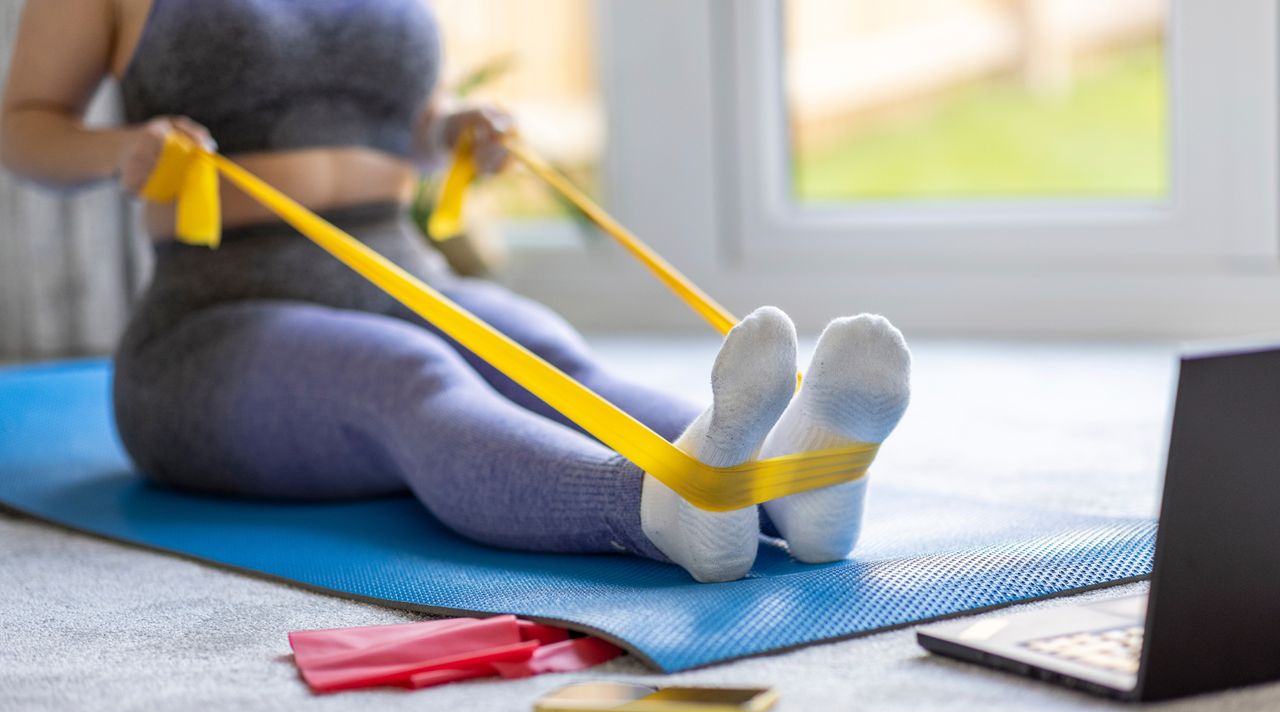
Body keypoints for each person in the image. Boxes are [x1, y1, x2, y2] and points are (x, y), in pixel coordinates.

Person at [0, 0, 911, 583]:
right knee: (406, 376)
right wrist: (119, 149)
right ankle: (662, 508)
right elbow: (24, 125)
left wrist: (453, 131)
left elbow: (406, 119)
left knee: (545, 352)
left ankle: (797, 487)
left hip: (406, 273)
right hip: (212, 319)